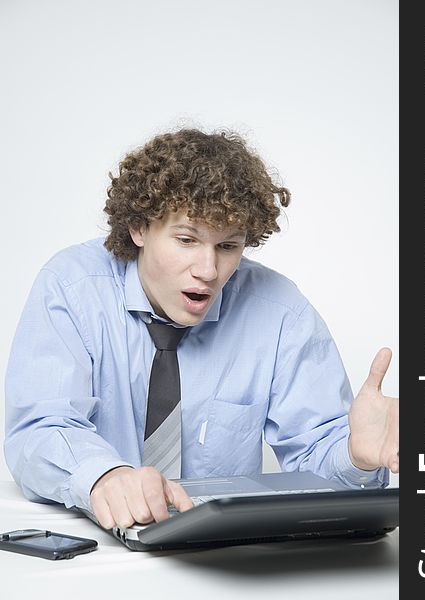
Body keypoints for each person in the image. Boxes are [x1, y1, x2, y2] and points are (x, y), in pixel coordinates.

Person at [4, 128, 399, 530]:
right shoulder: (72, 288)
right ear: (138, 229)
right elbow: (40, 428)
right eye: (187, 239)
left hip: (221, 560)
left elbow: (318, 467)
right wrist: (104, 477)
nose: (208, 271)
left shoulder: (280, 314)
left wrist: (356, 456)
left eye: (228, 247)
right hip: (97, 547)